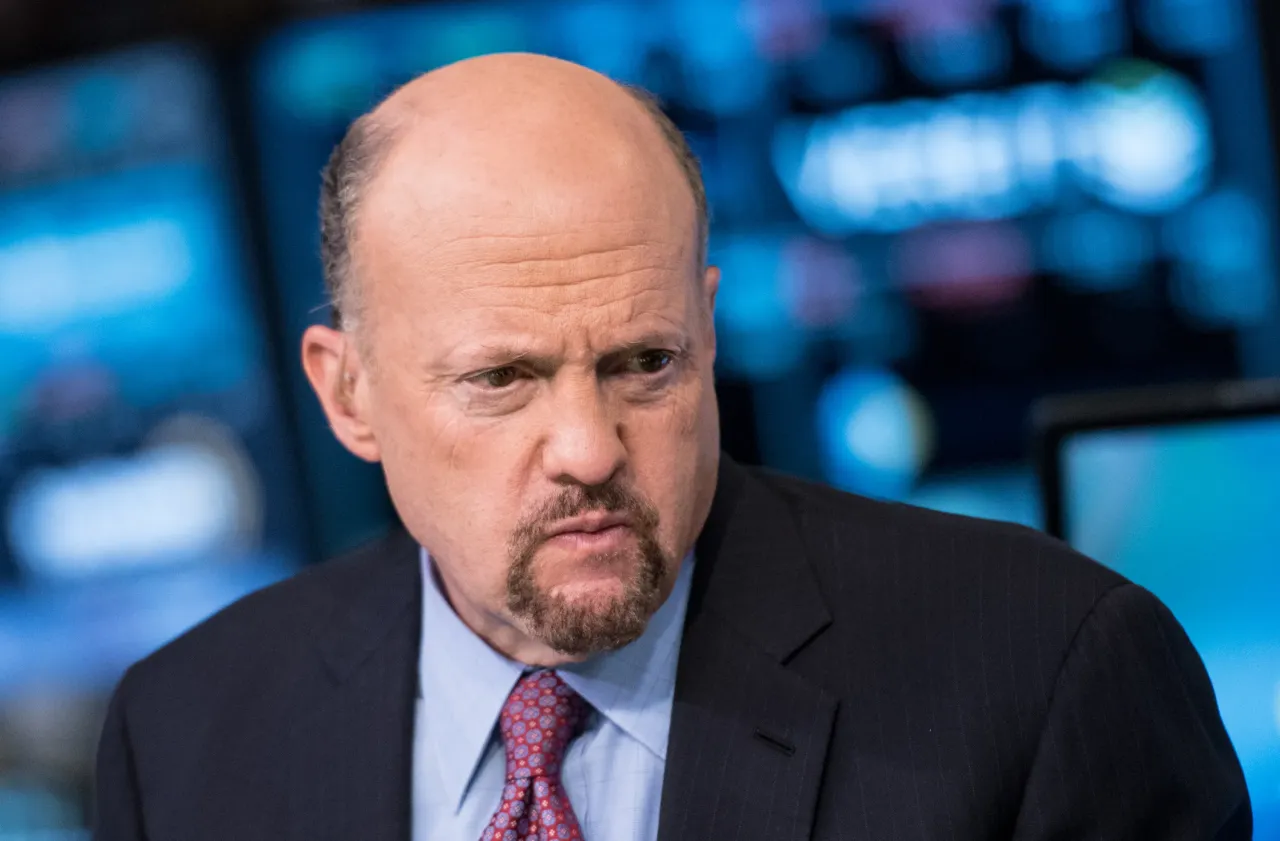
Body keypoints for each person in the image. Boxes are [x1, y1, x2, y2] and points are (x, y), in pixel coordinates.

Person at [92, 53, 1250, 841]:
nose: (590, 449)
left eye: (644, 364)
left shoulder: (1046, 670)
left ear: (705, 328)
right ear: (347, 395)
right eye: (502, 379)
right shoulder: (186, 737)